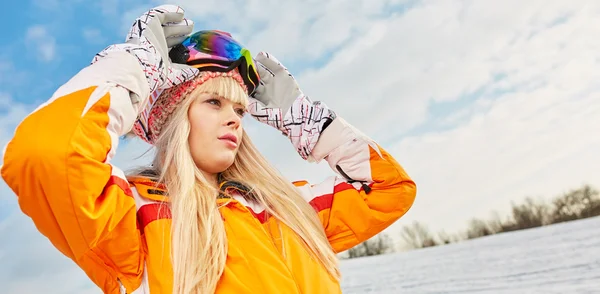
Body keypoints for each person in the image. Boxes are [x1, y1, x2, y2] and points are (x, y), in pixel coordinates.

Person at [1, 4, 416, 294]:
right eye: (213, 103)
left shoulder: (287, 205)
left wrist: (306, 119)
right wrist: (135, 66)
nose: (235, 118)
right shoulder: (131, 214)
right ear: (171, 117)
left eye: (239, 107)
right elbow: (45, 155)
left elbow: (388, 189)